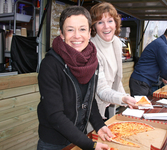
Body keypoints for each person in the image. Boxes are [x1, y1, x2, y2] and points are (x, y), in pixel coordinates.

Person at [37, 6, 114, 150]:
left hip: (80, 137)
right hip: (53, 143)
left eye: (82, 29)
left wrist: (99, 125)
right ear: (61, 34)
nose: (77, 35)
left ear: (90, 32)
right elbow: (55, 115)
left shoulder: (92, 61)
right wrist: (89, 144)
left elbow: (89, 100)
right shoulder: (50, 64)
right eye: (70, 29)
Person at [89, 2, 136, 120]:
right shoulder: (91, 49)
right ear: (94, 27)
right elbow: (101, 88)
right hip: (92, 109)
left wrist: (125, 97)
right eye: (100, 22)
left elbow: (116, 79)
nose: (106, 26)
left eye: (110, 21)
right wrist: (123, 99)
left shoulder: (116, 43)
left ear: (116, 23)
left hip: (110, 105)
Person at [129, 24, 167, 97]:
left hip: (142, 81)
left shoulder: (160, 42)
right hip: (141, 82)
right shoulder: (162, 45)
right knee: (140, 107)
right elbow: (165, 71)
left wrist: (163, 78)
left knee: (144, 106)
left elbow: (158, 67)